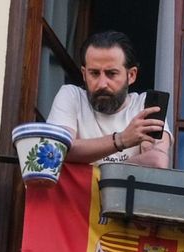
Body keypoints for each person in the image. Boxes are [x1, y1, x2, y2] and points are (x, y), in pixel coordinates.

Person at [45, 31, 171, 168]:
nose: (102, 84)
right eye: (94, 73)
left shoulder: (144, 106)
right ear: (84, 74)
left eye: (111, 74)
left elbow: (157, 161)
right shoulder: (71, 96)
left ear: (131, 75)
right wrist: (121, 140)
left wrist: (96, 174)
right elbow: (57, 149)